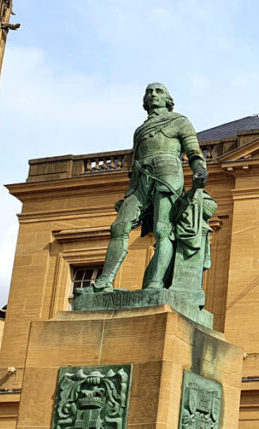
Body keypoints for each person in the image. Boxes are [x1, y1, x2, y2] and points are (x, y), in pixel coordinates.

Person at [85, 83, 208, 292]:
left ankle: (155, 283)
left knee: (163, 230)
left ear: (168, 99)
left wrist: (200, 170)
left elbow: (193, 151)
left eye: (158, 91)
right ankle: (104, 282)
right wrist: (128, 194)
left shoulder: (179, 121)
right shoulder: (140, 130)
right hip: (140, 180)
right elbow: (133, 166)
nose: (153, 95)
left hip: (167, 175)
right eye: (149, 92)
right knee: (119, 227)